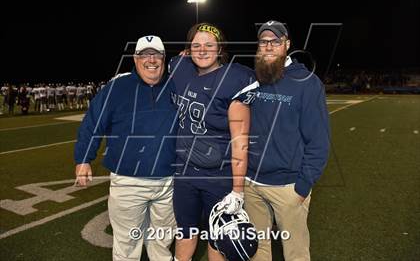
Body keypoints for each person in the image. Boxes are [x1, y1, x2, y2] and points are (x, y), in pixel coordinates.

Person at [74, 35, 178, 261]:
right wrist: (83, 159)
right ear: (135, 58)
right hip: (129, 181)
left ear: (163, 57)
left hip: (169, 181)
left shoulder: (176, 85)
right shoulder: (117, 87)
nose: (151, 60)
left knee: (162, 242)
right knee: (127, 246)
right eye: (145, 55)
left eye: (156, 54)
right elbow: (93, 122)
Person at [169, 23, 256, 261]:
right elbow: (175, 62)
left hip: (218, 176)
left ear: (220, 49)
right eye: (196, 45)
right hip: (185, 172)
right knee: (185, 230)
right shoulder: (180, 68)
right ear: (188, 49)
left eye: (209, 45)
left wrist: (237, 190)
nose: (202, 50)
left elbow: (240, 141)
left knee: (217, 237)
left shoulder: (234, 79)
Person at [243, 20, 330, 261]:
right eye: (263, 42)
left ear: (287, 44)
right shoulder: (253, 80)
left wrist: (302, 187)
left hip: (288, 187)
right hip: (251, 185)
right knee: (257, 252)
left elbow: (319, 142)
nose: (269, 46)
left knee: (295, 254)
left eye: (275, 41)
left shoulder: (308, 84)